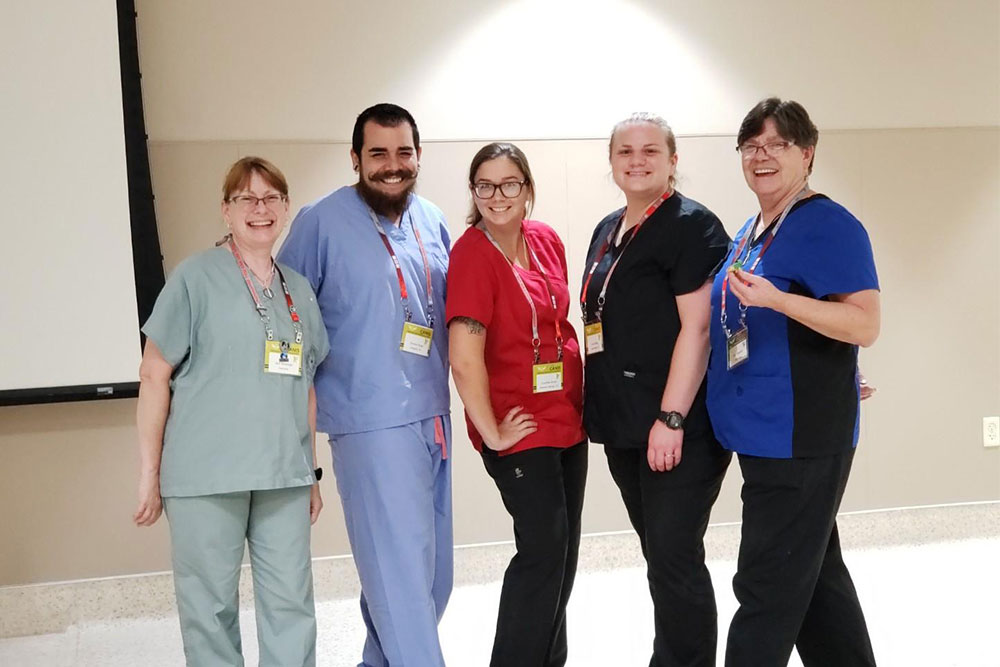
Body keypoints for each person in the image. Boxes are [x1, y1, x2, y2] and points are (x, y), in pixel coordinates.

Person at [133, 156, 329, 667]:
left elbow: (306, 386)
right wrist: (149, 474)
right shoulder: (194, 278)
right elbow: (154, 374)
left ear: (286, 208)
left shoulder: (298, 290)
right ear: (226, 211)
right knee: (210, 610)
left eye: (271, 198)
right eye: (246, 198)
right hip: (204, 477)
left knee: (292, 605)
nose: (259, 209)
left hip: (283, 475)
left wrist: (309, 473)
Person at [277, 103, 453, 667]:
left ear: (418, 156)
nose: (392, 165)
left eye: (403, 152)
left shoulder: (431, 219)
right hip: (368, 421)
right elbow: (285, 321)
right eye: (377, 153)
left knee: (431, 579)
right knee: (401, 580)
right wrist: (288, 434)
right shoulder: (320, 222)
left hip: (433, 413)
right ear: (355, 158)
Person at [707, 98, 880, 666]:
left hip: (798, 439)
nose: (762, 156)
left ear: (806, 154)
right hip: (766, 432)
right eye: (751, 145)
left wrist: (781, 301)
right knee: (815, 580)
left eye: (777, 144)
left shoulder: (828, 223)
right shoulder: (755, 229)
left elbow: (865, 322)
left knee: (765, 587)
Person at [581, 113, 732, 666]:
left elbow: (698, 328)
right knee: (660, 555)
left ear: (673, 160)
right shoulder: (607, 229)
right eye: (625, 151)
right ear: (612, 161)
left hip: (677, 426)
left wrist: (670, 419)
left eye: (650, 150)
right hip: (624, 422)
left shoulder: (692, 225)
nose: (636, 160)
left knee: (674, 557)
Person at [447, 143, 587, 667]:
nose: (497, 196)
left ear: (527, 188)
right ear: (474, 192)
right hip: (518, 426)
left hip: (566, 417)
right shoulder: (472, 254)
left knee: (563, 558)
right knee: (542, 554)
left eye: (509, 184)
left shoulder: (545, 240)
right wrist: (492, 431)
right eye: (485, 185)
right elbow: (464, 358)